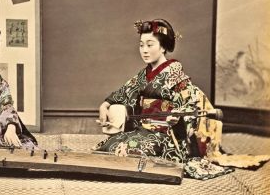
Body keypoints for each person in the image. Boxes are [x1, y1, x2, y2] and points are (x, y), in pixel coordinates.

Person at [94, 19, 231, 179]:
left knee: (129, 149)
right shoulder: (143, 75)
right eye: (141, 45)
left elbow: (189, 108)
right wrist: (104, 105)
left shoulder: (176, 76)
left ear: (163, 46)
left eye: (150, 45)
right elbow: (123, 92)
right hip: (143, 129)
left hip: (168, 135)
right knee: (109, 145)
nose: (144, 50)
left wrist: (177, 119)